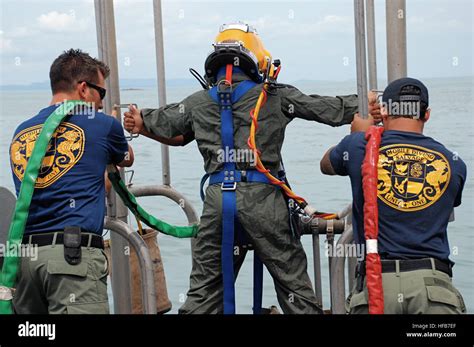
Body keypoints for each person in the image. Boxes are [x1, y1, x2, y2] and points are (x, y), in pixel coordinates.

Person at [124, 23, 378, 314]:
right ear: (256, 62)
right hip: (265, 202)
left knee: (204, 291)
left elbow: (166, 126)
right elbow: (323, 108)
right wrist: (365, 104)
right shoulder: (274, 96)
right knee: (292, 284)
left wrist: (139, 121)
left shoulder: (196, 103)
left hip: (218, 200)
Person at [320, 77, 466, 314]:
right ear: (426, 114)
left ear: (384, 111)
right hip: (432, 287)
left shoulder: (359, 146)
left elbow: (326, 164)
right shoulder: (453, 162)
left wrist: (358, 133)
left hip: (378, 284)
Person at [9, 49, 134, 314]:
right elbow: (126, 159)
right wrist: (115, 127)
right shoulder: (102, 124)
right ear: (84, 89)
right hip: (71, 261)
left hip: (24, 264)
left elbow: (60, 184)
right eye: (101, 93)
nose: (101, 103)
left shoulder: (22, 130)